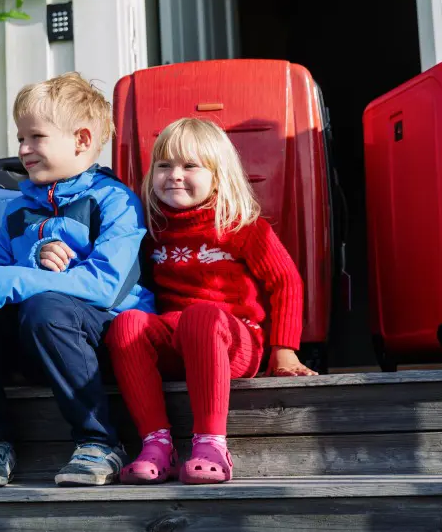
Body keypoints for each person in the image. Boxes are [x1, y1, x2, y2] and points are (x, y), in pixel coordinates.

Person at [0, 73, 153, 488]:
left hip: (107, 338)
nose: (23, 150)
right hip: (38, 339)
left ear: (81, 140)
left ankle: (100, 441)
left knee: (45, 305)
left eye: (36, 137)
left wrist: (27, 279)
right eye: (20, 138)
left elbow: (105, 287)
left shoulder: (116, 201)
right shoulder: (11, 212)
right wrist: (32, 266)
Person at [104, 118, 317, 485]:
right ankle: (157, 444)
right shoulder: (151, 230)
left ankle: (211, 444)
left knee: (201, 315)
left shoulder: (241, 226)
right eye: (164, 165)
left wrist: (284, 350)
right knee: (127, 323)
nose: (174, 175)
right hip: (178, 340)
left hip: (235, 341)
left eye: (190, 166)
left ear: (217, 176)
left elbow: (286, 281)